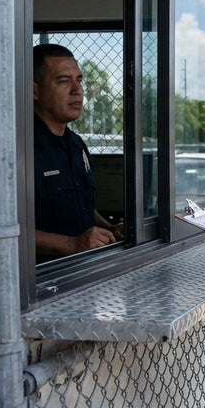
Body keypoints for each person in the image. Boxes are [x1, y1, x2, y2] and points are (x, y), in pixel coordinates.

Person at [32, 43, 120, 260]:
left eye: (79, 80)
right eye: (63, 81)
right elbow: (6, 231)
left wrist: (110, 229)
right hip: (40, 278)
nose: (77, 90)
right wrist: (71, 244)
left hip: (82, 269)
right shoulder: (19, 149)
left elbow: (82, 207)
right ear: (35, 90)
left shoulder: (76, 144)